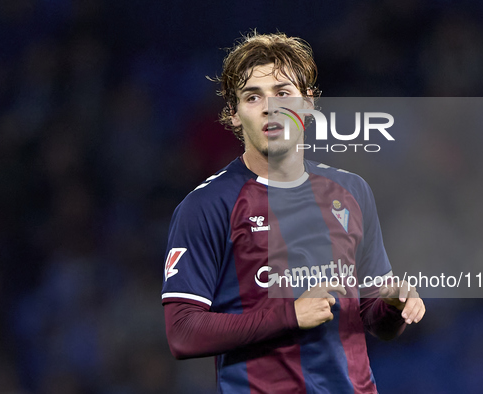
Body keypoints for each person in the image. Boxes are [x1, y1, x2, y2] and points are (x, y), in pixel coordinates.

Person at [162, 31, 425, 394]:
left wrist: (394, 304)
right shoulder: (206, 206)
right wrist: (290, 316)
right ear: (234, 115)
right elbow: (182, 334)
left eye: (283, 93)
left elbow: (373, 318)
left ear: (308, 103)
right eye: (253, 97)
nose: (270, 107)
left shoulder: (351, 191)